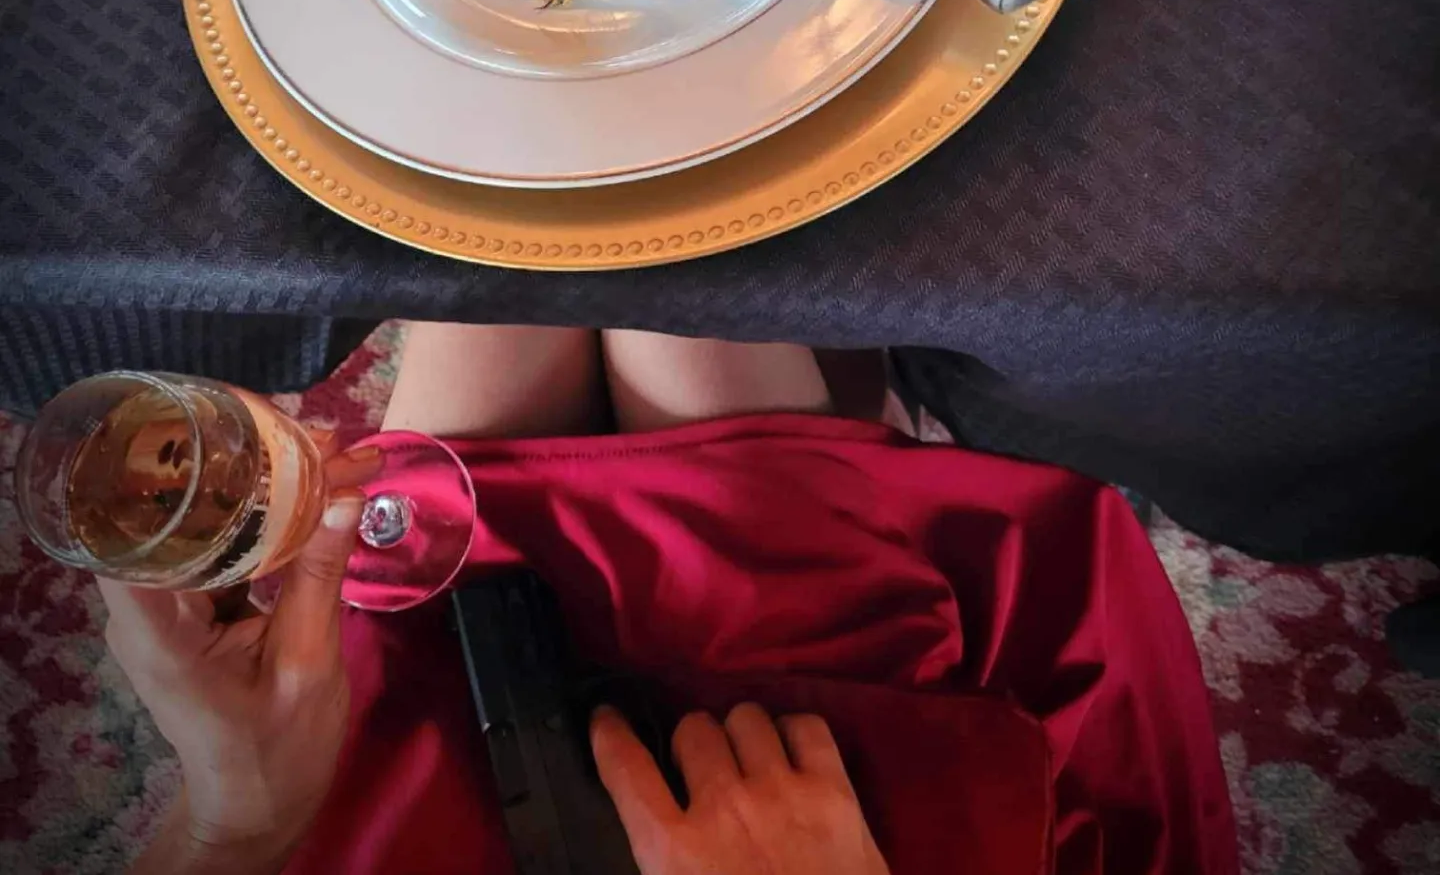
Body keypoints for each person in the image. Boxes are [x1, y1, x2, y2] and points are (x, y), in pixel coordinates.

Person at [103, 326, 1238, 875]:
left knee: (515, 221)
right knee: (672, 235)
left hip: (421, 773)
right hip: (828, 780)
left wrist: (231, 826)